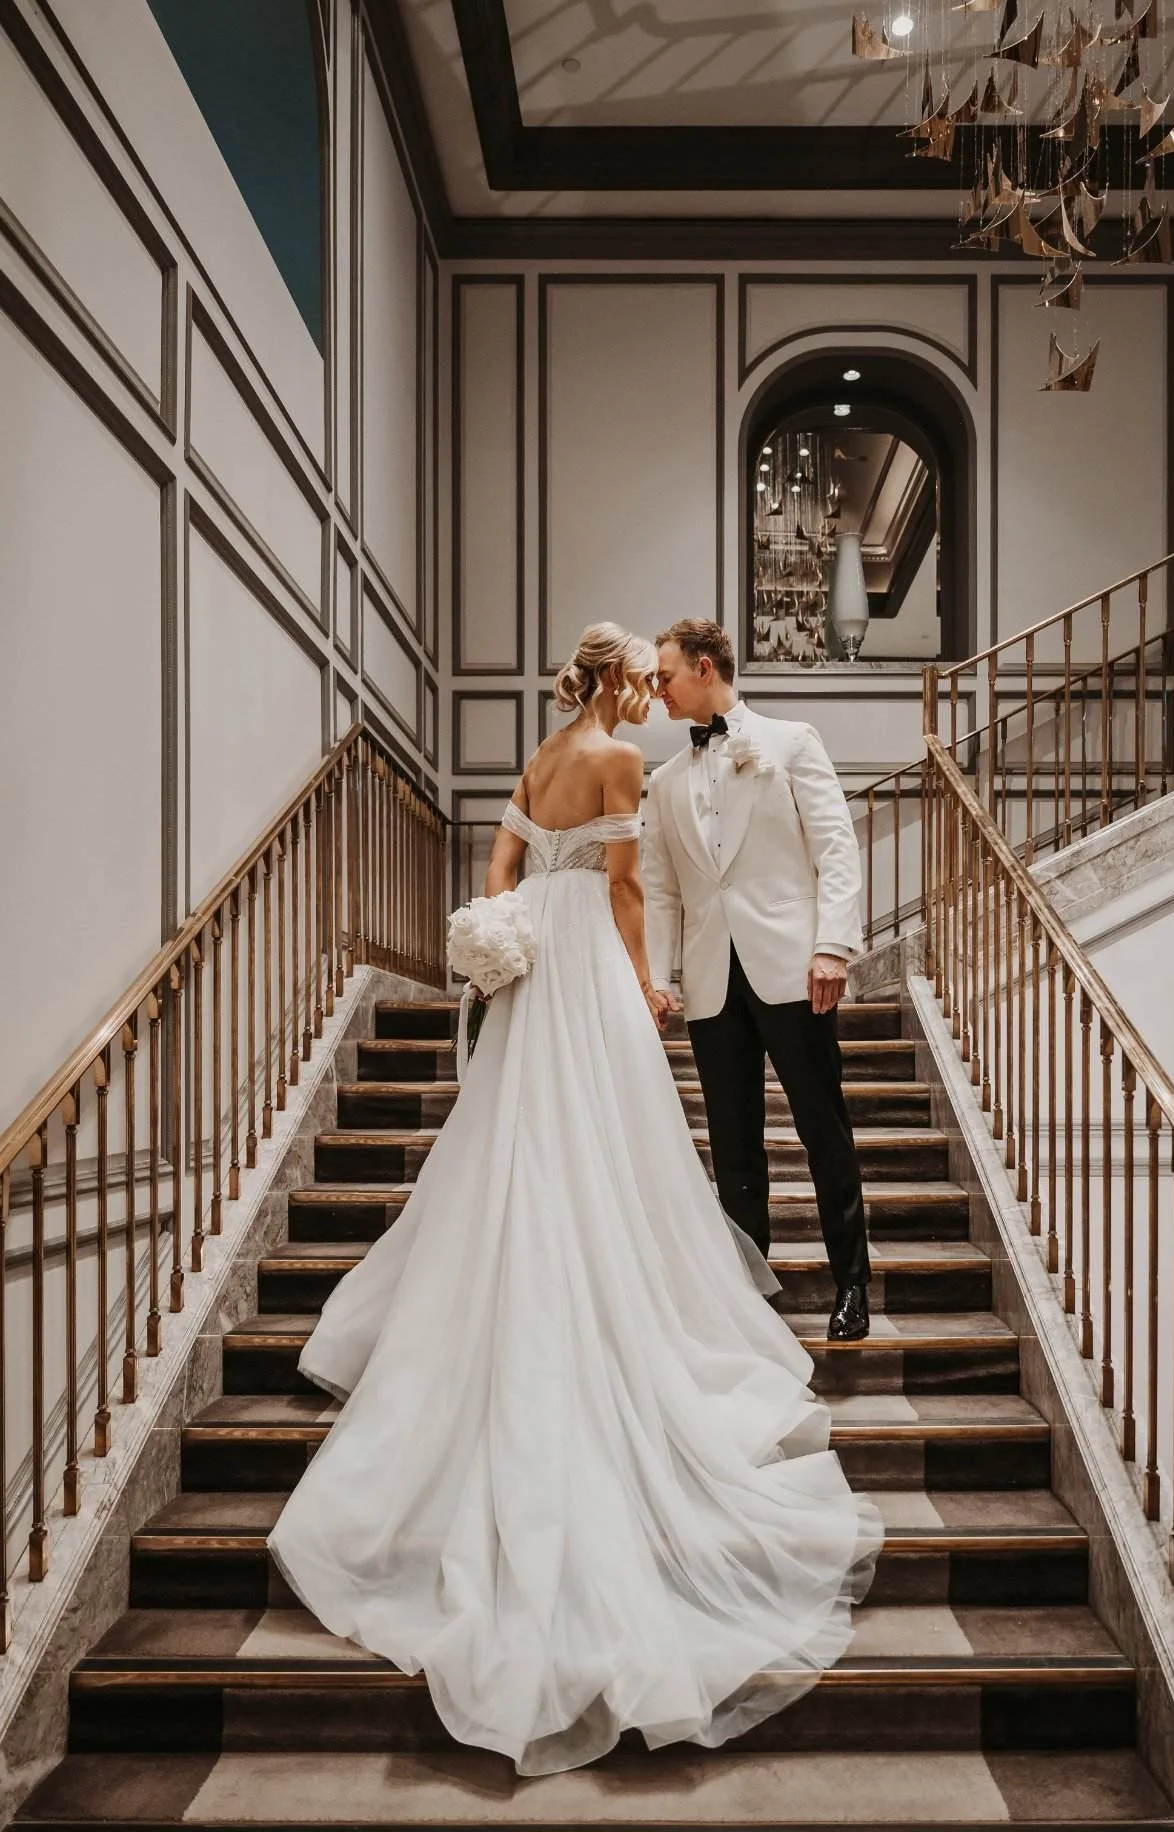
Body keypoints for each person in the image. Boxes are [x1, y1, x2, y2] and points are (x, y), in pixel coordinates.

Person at [267, 622, 881, 1778]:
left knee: (521, 1137)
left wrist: (500, 938)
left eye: (668, 676)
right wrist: (641, 975)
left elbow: (498, 870)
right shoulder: (621, 762)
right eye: (644, 679)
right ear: (622, 680)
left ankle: (824, 1274)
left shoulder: (550, 753)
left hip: (549, 968)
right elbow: (627, 887)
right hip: (601, 963)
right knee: (621, 1138)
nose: (655, 692)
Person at [643, 620, 872, 1343]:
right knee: (733, 1144)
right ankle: (749, 1295)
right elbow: (660, 891)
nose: (657, 690)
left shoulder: (791, 741)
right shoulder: (663, 781)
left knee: (820, 1129)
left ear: (704, 669)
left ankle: (852, 1287)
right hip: (712, 982)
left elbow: (836, 846)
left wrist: (832, 945)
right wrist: (657, 978)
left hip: (792, 969)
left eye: (666, 676)